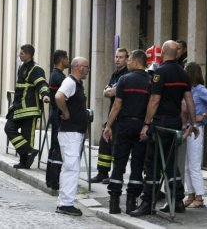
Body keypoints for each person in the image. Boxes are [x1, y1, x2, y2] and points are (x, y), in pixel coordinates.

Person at [130, 40, 199, 217]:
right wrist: (193, 123)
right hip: (175, 123)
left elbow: (154, 100)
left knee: (152, 163)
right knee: (170, 163)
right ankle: (177, 201)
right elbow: (189, 101)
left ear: (163, 53)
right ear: (176, 53)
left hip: (161, 124)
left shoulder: (159, 73)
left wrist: (146, 123)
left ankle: (147, 203)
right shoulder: (183, 74)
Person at [103, 50, 150, 214]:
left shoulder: (124, 79)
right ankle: (132, 202)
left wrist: (108, 125)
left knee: (119, 163)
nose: (127, 62)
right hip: (141, 126)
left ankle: (114, 203)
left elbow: (117, 105)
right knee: (137, 164)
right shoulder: (150, 81)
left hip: (124, 125)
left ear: (137, 61)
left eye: (129, 59)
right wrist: (147, 124)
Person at [5, 44, 50, 169]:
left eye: (22, 53)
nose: (20, 55)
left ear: (29, 55)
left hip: (30, 109)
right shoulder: (21, 67)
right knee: (9, 128)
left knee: (27, 135)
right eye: (20, 52)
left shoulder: (36, 69)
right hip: (18, 107)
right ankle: (29, 151)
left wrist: (45, 95)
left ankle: (24, 161)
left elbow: (42, 83)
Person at [55, 57, 89, 217]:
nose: (88, 69)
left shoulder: (76, 83)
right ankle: (65, 203)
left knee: (70, 166)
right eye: (86, 66)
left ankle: (65, 201)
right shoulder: (70, 82)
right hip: (70, 132)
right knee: (71, 167)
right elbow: (58, 96)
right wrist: (66, 112)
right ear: (79, 67)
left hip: (74, 131)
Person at [183, 62, 207, 208]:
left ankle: (199, 197)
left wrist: (204, 115)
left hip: (196, 129)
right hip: (188, 128)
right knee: (187, 165)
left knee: (194, 164)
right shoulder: (189, 89)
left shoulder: (199, 89)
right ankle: (190, 194)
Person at [91, 48, 129, 184]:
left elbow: (110, 92)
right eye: (116, 57)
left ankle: (115, 175)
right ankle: (102, 172)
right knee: (105, 143)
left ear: (127, 59)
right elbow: (106, 91)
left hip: (121, 115)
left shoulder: (126, 74)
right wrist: (108, 91)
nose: (117, 59)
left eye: (121, 57)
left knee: (116, 146)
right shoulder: (115, 74)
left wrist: (108, 91)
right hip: (112, 114)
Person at [46, 50, 69, 190]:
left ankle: (50, 178)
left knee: (55, 145)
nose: (68, 61)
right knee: (58, 146)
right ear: (62, 60)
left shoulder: (55, 75)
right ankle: (54, 180)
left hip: (54, 112)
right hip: (58, 114)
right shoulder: (59, 77)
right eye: (66, 58)